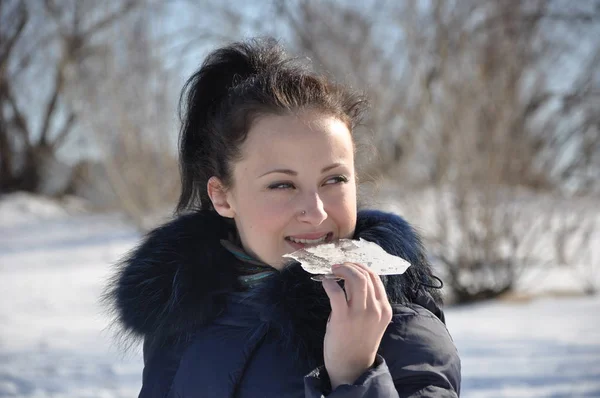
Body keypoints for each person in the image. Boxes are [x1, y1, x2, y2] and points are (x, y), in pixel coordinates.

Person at [105, 37, 461, 397]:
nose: (316, 212)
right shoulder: (183, 317)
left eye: (334, 179)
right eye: (281, 185)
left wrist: (356, 374)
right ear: (223, 196)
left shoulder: (397, 326)